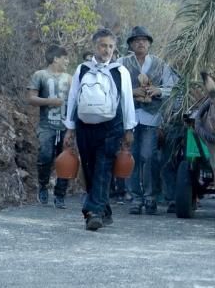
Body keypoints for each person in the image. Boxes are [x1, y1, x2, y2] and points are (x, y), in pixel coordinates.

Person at [63, 28, 136, 231]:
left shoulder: (120, 72)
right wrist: (70, 128)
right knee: (89, 167)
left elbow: (127, 101)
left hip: (111, 127)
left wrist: (129, 128)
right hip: (84, 126)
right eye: (103, 45)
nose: (107, 50)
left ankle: (93, 212)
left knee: (103, 168)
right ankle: (104, 210)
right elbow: (73, 97)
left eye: (111, 46)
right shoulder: (82, 69)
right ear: (95, 46)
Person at [120, 26, 177, 215]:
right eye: (136, 40)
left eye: (144, 40)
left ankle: (151, 197)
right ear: (131, 44)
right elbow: (113, 87)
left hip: (152, 118)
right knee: (132, 157)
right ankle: (136, 198)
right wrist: (131, 92)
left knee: (149, 157)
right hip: (129, 118)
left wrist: (159, 91)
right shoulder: (122, 64)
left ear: (149, 44)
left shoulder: (161, 65)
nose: (140, 43)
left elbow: (174, 89)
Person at [27, 44, 72, 208]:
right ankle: (43, 186)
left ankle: (60, 194)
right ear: (55, 58)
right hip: (46, 125)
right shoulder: (40, 75)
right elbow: (31, 98)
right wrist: (50, 101)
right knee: (45, 156)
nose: (67, 61)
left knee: (66, 160)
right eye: (64, 58)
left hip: (66, 126)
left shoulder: (70, 78)